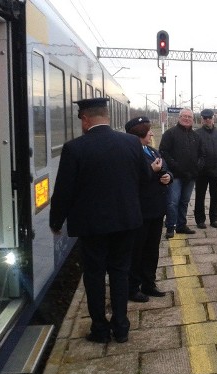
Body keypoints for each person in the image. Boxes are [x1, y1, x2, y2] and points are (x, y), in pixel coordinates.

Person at [49, 98, 150, 344]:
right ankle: (122, 328)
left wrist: (56, 221)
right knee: (120, 272)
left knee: (94, 275)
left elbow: (64, 191)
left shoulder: (74, 148)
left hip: (92, 227)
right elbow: (145, 178)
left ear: (85, 120)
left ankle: (100, 329)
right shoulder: (131, 143)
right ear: (106, 115)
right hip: (126, 222)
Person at [125, 116, 173, 303]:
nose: (152, 133)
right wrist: (151, 171)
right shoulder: (129, 153)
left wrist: (168, 175)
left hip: (156, 210)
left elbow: (167, 169)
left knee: (152, 249)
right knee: (137, 250)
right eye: (148, 131)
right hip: (140, 211)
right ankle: (132, 287)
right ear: (139, 133)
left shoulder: (152, 151)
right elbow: (130, 179)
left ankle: (149, 283)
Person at [159, 108, 204, 238]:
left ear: (193, 119)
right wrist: (175, 167)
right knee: (173, 202)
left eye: (189, 117)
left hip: (191, 176)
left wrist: (198, 167)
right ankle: (170, 226)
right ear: (179, 117)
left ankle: (181, 225)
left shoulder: (196, 136)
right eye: (184, 116)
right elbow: (164, 152)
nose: (187, 119)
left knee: (184, 201)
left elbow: (202, 154)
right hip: (175, 176)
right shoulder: (170, 133)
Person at [194, 109, 217, 229]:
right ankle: (200, 220)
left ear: (213, 118)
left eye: (209, 118)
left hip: (216, 169)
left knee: (215, 196)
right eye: (205, 118)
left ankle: (214, 218)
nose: (207, 120)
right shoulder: (196, 133)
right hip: (202, 171)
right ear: (201, 119)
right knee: (200, 196)